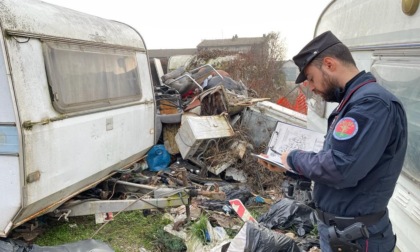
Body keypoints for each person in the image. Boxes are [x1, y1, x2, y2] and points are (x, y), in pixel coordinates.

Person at [258, 31, 407, 252]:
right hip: (342, 234)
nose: (310, 86)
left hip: (357, 239)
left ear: (328, 64)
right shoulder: (353, 102)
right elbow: (336, 163)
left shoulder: (370, 105)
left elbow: (340, 168)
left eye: (310, 77)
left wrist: (293, 157)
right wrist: (288, 167)